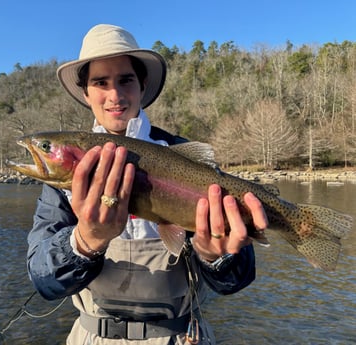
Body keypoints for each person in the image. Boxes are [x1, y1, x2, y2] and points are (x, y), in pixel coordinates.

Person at [27, 24, 268, 344]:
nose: (115, 94)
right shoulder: (66, 181)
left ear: (141, 84)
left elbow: (235, 281)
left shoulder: (185, 161)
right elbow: (44, 280)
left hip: (181, 337)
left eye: (125, 80)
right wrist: (85, 241)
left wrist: (216, 257)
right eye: (101, 82)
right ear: (86, 93)